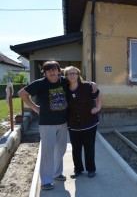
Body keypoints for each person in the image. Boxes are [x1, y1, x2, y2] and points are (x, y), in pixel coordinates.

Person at [18, 61, 97, 190]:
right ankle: (46, 181)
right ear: (45, 73)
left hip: (63, 122)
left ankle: (57, 173)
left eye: (54, 69)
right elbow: (22, 93)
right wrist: (35, 108)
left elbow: (76, 79)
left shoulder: (63, 81)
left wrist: (92, 83)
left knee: (60, 149)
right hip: (47, 123)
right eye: (49, 70)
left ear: (59, 71)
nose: (52, 72)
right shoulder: (39, 83)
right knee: (47, 152)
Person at [64, 66, 102, 179]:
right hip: (73, 124)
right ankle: (78, 169)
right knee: (75, 149)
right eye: (69, 73)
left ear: (78, 75)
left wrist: (98, 107)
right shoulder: (65, 88)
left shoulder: (87, 86)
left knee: (89, 147)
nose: (72, 75)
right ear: (66, 76)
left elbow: (98, 94)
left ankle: (91, 169)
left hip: (89, 123)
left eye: (74, 73)